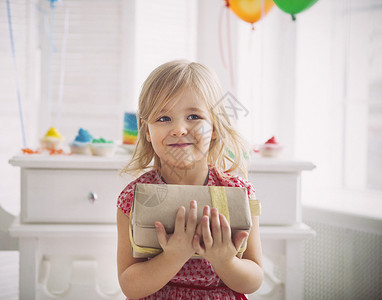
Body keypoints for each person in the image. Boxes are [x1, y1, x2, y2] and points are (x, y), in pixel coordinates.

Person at [117, 60, 263, 299]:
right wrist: (173, 256)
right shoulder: (133, 198)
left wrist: (225, 260)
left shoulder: (239, 192)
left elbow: (254, 279)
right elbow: (130, 286)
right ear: (146, 131)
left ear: (214, 127)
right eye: (163, 118)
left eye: (194, 116)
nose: (179, 129)